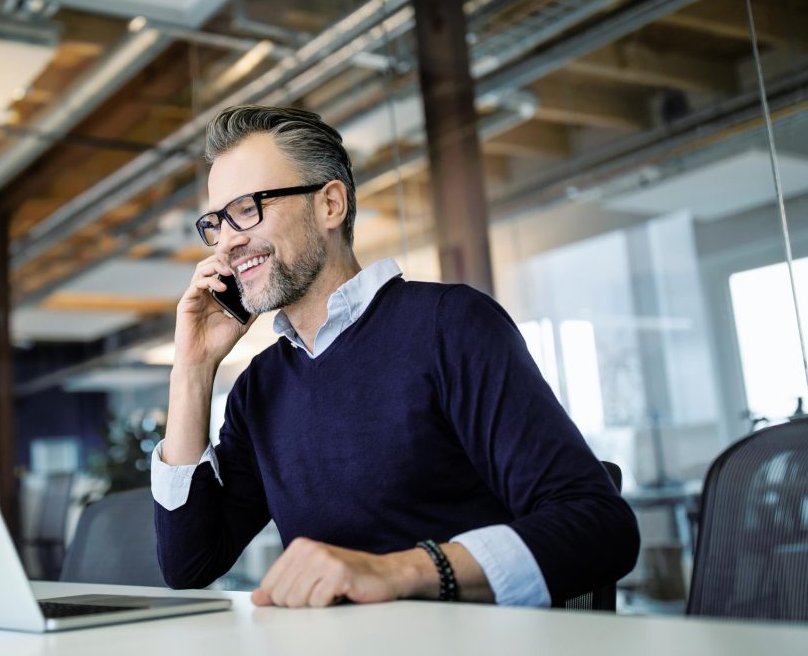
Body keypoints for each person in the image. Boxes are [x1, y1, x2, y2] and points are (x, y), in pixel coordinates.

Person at [151, 105, 639, 608]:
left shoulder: (450, 325)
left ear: (330, 205)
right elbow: (190, 564)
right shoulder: (261, 387)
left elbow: (599, 526)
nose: (228, 242)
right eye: (216, 222)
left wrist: (397, 572)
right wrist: (192, 370)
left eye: (248, 208)